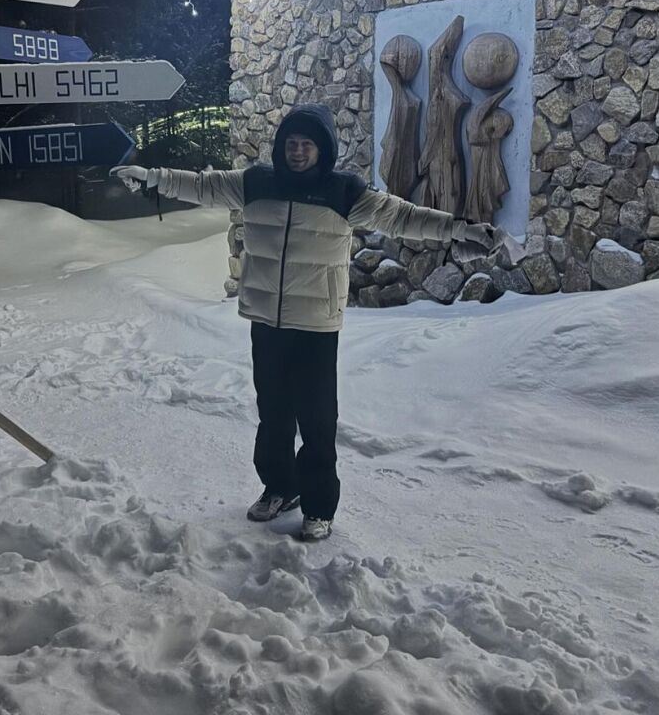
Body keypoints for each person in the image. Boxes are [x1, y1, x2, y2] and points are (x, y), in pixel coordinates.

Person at [111, 103, 497, 542]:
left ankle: (317, 505)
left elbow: (403, 217)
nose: (297, 152)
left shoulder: (344, 192)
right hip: (267, 321)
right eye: (291, 143)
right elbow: (202, 186)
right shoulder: (255, 183)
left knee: (316, 419)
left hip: (315, 325)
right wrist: (152, 177)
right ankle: (279, 487)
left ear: (322, 149)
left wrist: (458, 229)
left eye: (306, 144)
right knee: (273, 413)